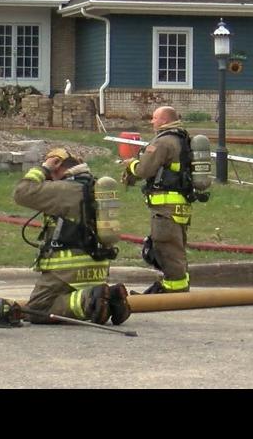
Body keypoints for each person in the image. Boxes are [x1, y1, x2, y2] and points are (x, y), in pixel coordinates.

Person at [12, 146, 133, 326]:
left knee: (37, 309)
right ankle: (110, 297)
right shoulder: (95, 185)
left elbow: (21, 193)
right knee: (67, 299)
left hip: (67, 270)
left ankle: (88, 301)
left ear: (58, 167)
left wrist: (43, 168)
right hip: (97, 269)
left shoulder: (64, 189)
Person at [121, 105, 198, 294]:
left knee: (165, 247)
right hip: (179, 204)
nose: (152, 121)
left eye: (154, 118)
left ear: (164, 120)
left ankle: (174, 290)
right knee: (175, 247)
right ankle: (175, 285)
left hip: (166, 207)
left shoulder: (163, 142)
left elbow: (144, 170)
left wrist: (131, 165)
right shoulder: (182, 139)